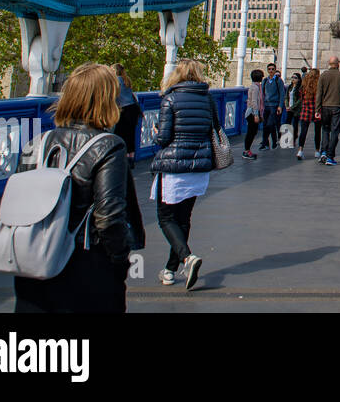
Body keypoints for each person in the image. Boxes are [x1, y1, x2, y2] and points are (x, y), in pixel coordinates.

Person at [14, 63, 140, 314]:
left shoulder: (37, 143)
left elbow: (17, 206)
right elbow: (109, 216)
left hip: (33, 263)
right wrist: (120, 261)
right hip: (84, 265)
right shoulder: (109, 147)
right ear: (107, 101)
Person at [150, 57, 214, 290]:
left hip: (173, 166)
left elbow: (164, 138)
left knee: (166, 217)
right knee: (183, 219)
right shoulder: (207, 98)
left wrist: (156, 132)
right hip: (199, 165)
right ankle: (169, 270)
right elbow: (212, 129)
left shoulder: (170, 98)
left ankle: (187, 258)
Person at [318, 56, 340, 165]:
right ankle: (330, 156)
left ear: (329, 63)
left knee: (325, 130)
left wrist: (317, 109)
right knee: (335, 131)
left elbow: (319, 94)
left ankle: (323, 151)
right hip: (337, 106)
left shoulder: (323, 76)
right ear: (338, 64)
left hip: (324, 106)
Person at [112, 63, 141, 162]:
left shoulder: (115, 81)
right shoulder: (126, 80)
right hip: (133, 109)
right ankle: (131, 157)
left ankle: (121, 158)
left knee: (120, 133)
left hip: (123, 110)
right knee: (130, 134)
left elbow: (114, 97)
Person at [294, 69, 319, 160]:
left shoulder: (304, 86)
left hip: (305, 109)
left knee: (303, 131)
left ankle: (300, 150)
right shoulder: (318, 86)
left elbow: (300, 97)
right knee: (317, 131)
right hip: (316, 110)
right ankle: (317, 151)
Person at [261, 62, 285, 150]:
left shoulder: (278, 80)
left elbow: (282, 93)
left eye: (272, 69)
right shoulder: (265, 80)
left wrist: (280, 106)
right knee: (265, 125)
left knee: (270, 124)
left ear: (275, 70)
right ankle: (266, 143)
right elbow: (262, 93)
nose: (271, 71)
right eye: (269, 69)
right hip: (266, 105)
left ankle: (272, 141)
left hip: (274, 105)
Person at [243, 68, 263, 160]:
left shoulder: (255, 86)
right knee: (251, 132)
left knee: (252, 132)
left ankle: (247, 150)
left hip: (252, 112)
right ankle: (247, 151)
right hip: (252, 113)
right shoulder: (255, 88)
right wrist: (256, 114)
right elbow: (254, 101)